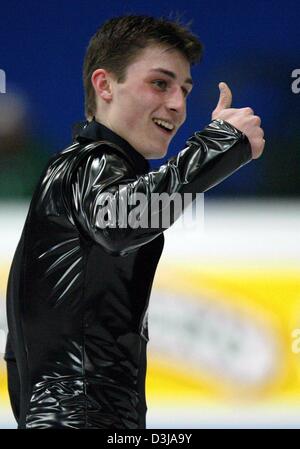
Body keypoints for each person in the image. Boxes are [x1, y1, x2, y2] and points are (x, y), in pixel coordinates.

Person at [4, 15, 265, 429]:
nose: (178, 104)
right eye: (160, 84)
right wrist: (221, 144)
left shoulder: (74, 171)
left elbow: (20, 355)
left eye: (184, 89)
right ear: (104, 85)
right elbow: (127, 219)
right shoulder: (87, 165)